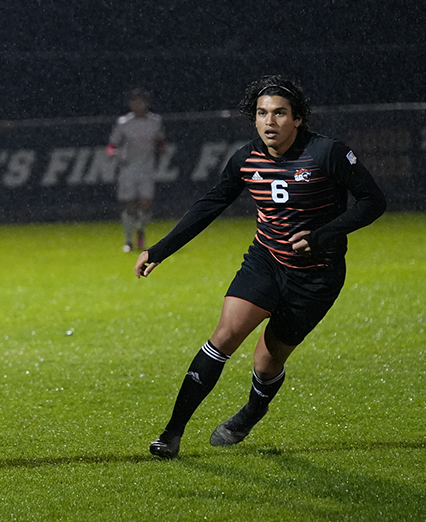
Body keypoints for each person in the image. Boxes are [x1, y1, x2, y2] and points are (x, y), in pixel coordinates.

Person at [135, 75, 385, 459]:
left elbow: (373, 201)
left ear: (297, 118)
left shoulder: (327, 153)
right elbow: (209, 205)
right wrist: (160, 250)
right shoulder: (246, 158)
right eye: (262, 113)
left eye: (280, 113)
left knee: (266, 362)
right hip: (265, 261)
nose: (270, 121)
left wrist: (321, 235)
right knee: (224, 335)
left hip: (316, 276)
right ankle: (172, 433)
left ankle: (252, 411)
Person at [108, 88, 165, 252]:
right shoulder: (124, 123)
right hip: (128, 168)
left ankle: (140, 229)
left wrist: (161, 148)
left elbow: (160, 140)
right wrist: (112, 152)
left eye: (141, 102)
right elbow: (113, 143)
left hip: (146, 168)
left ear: (147, 104)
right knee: (130, 205)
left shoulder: (155, 121)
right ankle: (128, 241)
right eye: (134, 102)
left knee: (146, 204)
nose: (137, 105)